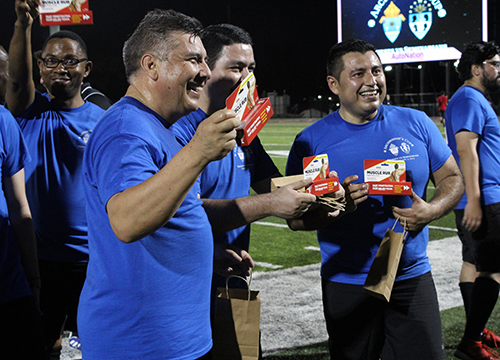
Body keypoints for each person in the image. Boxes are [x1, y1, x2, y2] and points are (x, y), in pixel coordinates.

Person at [78, 9, 254, 360]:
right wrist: (199, 152)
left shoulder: (160, 125)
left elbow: (169, 214)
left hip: (171, 338)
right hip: (141, 344)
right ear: (151, 65)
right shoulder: (125, 128)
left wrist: (204, 255)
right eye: (193, 59)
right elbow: (127, 221)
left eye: (205, 60)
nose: (205, 72)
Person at [286, 39, 464, 360]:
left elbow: (452, 177)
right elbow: (296, 220)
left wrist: (432, 209)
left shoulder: (416, 123)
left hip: (411, 275)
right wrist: (338, 209)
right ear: (334, 84)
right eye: (358, 74)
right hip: (347, 281)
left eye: (377, 71)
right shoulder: (310, 142)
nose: (372, 81)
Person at [171, 24, 316, 290]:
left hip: (234, 275)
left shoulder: (245, 131)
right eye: (237, 68)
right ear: (204, 70)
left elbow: (275, 187)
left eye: (251, 69)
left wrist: (326, 193)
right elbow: (180, 211)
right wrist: (270, 203)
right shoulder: (178, 130)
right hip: (184, 281)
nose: (248, 79)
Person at [6, 0, 105, 356]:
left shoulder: (105, 122)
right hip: (39, 258)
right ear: (39, 65)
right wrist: (23, 23)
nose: (59, 68)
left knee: (98, 342)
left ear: (86, 68)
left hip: (92, 258)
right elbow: (16, 82)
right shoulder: (30, 111)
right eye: (50, 61)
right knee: (41, 344)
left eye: (69, 62)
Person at [445, 41, 500, 360]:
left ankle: (475, 333)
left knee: (472, 264)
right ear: (477, 68)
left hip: (478, 198)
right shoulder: (469, 97)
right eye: (495, 63)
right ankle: (471, 341)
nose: (498, 69)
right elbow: (466, 151)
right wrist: (476, 201)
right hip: (485, 198)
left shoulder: (473, 98)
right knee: (492, 272)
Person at [0, 45, 48, 360]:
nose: (7, 78)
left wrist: (32, 277)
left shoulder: (4, 121)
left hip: (9, 285)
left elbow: (19, 209)